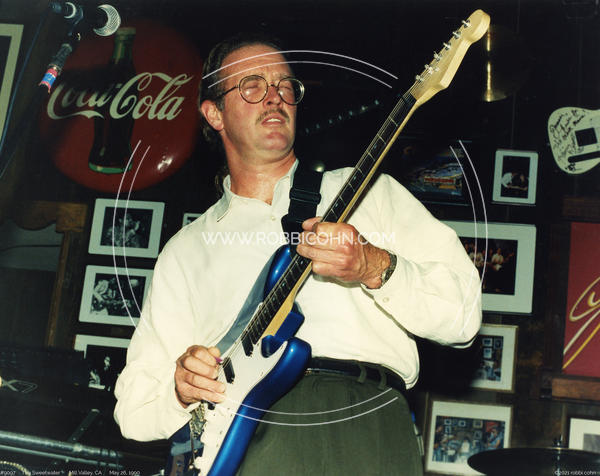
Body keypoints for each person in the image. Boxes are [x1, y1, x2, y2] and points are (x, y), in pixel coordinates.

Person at [113, 33, 482, 475]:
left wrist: (374, 266)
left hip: (367, 423)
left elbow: (463, 317)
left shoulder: (370, 193)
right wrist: (180, 387)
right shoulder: (186, 250)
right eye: (252, 86)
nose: (274, 97)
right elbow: (133, 410)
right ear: (214, 114)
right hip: (248, 439)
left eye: (285, 85)